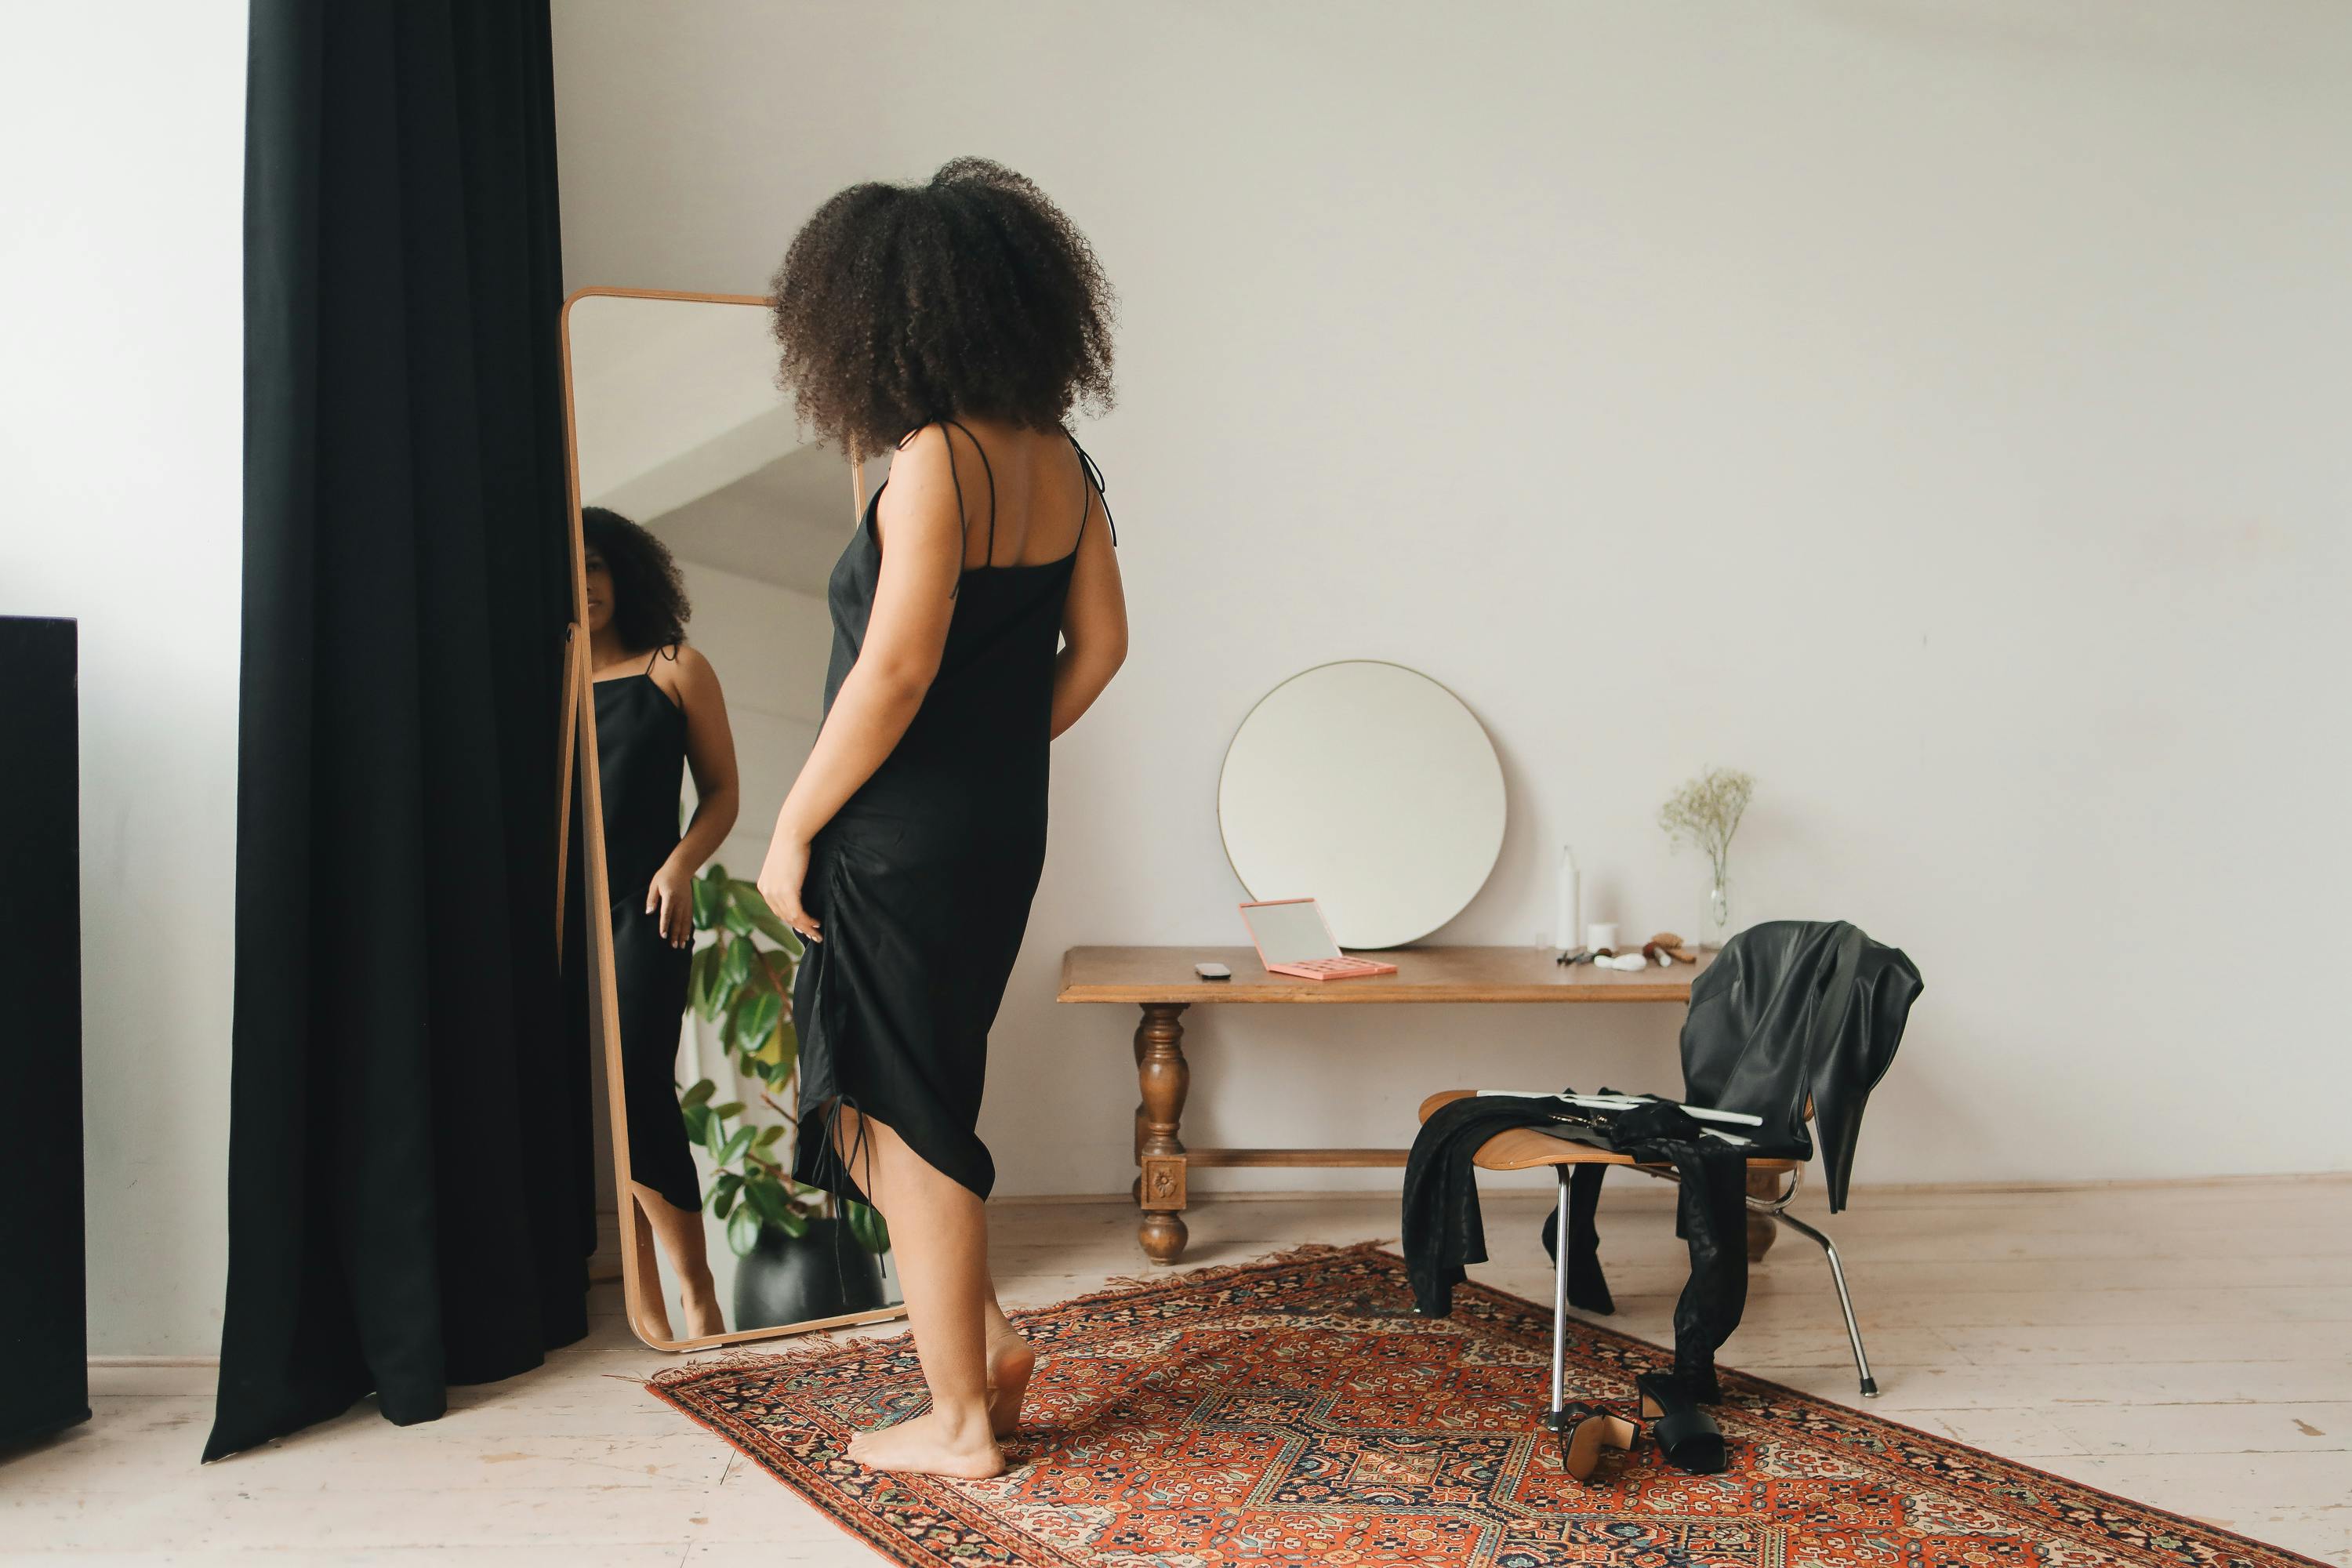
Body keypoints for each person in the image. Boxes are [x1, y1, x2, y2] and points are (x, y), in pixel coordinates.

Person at [757, 158, 1127, 1479]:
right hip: (996, 829)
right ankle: (989, 1347)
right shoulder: (1064, 462)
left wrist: (792, 827)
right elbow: (1102, 650)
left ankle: (962, 1419)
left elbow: (896, 669)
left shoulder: (931, 461)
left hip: (898, 833)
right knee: (896, 1097)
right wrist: (991, 758)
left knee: (899, 1112)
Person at [583, 506, 740, 1341]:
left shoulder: (676, 667)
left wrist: (680, 865)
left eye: (598, 564)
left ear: (627, 572)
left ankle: (695, 1291)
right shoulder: (539, 684)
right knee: (584, 1102)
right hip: (562, 919)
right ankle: (639, 1298)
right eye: (570, 569)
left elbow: (722, 792)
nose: (586, 583)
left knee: (638, 1087)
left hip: (645, 910)